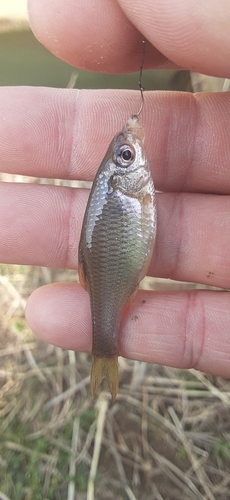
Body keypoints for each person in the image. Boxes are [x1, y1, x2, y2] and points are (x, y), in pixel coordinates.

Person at [1, 0, 230, 378]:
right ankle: (103, 349)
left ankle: (104, 351)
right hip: (116, 272)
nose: (133, 153)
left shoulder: (130, 192)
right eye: (127, 155)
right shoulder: (127, 192)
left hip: (115, 269)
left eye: (124, 155)